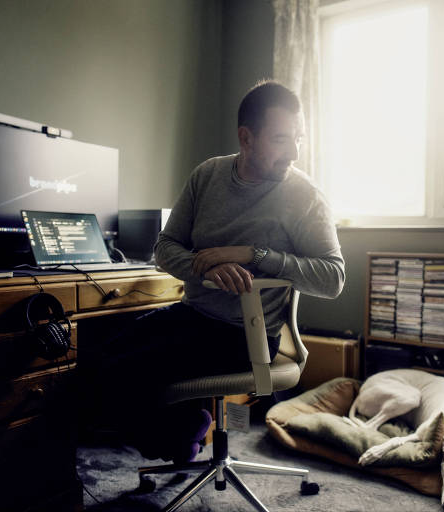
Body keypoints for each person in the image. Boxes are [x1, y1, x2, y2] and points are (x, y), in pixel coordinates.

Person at [99, 80, 344, 461]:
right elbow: (164, 248)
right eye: (281, 139)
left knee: (129, 371)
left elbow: (333, 278)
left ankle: (180, 432)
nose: (293, 153)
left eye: (299, 138)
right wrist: (209, 272)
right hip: (192, 315)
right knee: (97, 361)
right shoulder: (207, 176)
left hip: (247, 333)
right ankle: (180, 431)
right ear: (246, 138)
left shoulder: (304, 196)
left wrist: (256, 254)